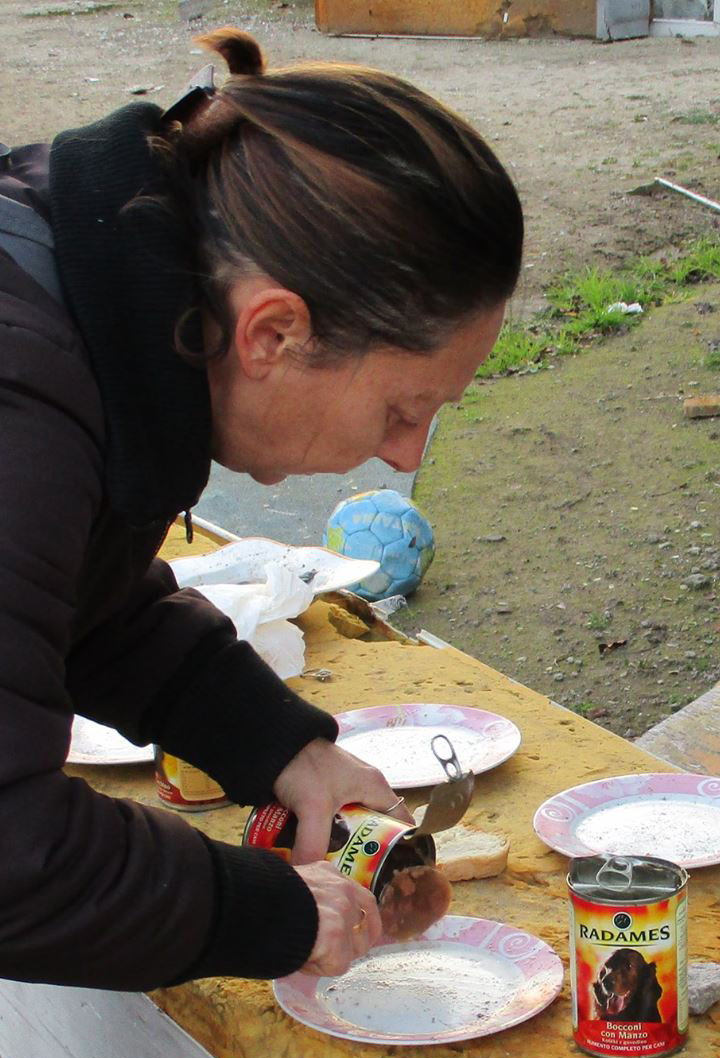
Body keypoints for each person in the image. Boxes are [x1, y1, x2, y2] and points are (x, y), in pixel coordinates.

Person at [0, 28, 522, 991]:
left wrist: (278, 745)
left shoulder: (93, 304)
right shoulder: (19, 405)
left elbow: (81, 608)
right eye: (404, 409)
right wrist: (258, 910)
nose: (406, 454)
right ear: (273, 332)